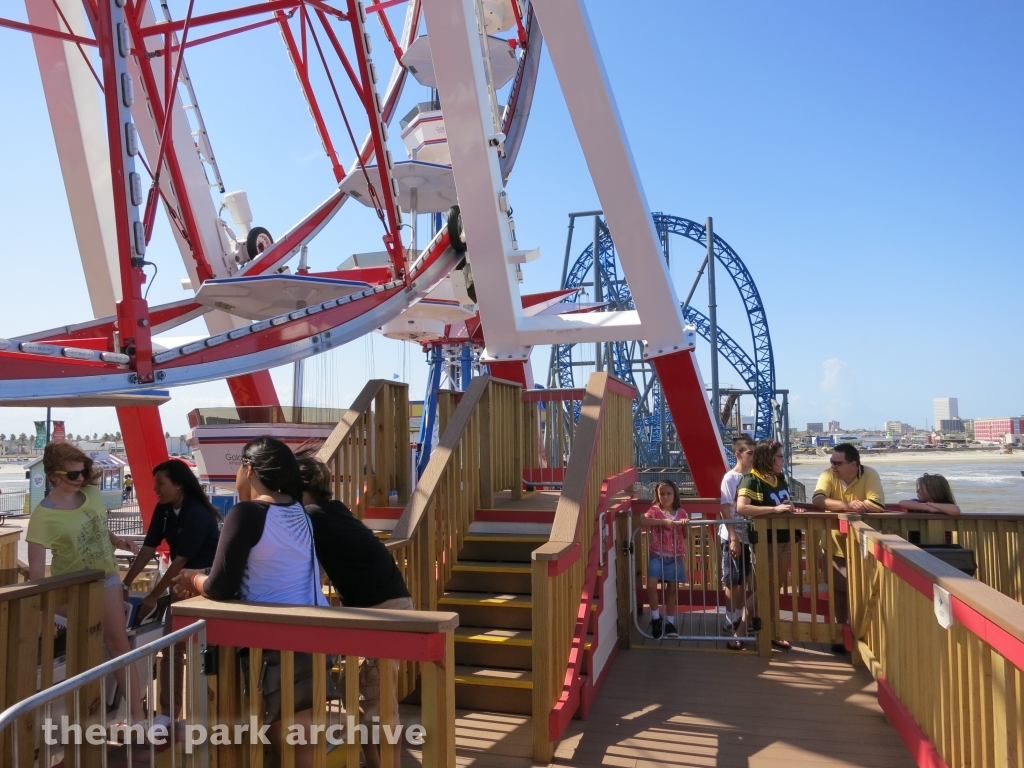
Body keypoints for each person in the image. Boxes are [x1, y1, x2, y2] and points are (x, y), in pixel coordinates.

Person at [172, 437, 327, 768]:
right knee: (301, 741)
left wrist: (191, 579)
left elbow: (220, 585)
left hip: (273, 642)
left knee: (282, 738)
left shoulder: (247, 513)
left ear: (249, 469)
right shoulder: (299, 511)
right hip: (313, 633)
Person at [295, 446, 412, 768]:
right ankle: (375, 763)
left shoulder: (312, 516)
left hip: (381, 612)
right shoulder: (332, 510)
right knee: (360, 697)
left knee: (374, 702)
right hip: (377, 608)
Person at [26, 442, 145, 725]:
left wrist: (117, 540)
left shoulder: (91, 494)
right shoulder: (42, 516)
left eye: (84, 472)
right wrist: (42, 612)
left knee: (116, 642)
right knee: (85, 650)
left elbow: (96, 525)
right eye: (73, 475)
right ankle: (81, 721)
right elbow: (35, 572)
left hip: (105, 577)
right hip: (71, 587)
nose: (81, 479)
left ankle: (138, 717)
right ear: (54, 476)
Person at [120, 459, 221, 726]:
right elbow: (148, 547)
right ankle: (168, 712)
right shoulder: (164, 510)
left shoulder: (197, 513)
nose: (156, 489)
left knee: (209, 649)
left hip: (205, 583)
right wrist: (125, 583)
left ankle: (213, 712)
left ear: (178, 484)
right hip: (180, 582)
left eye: (160, 483)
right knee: (171, 647)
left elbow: (180, 560)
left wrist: (154, 595)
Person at [811, 443, 885, 652]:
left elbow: (878, 505)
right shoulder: (827, 475)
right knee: (838, 593)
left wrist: (853, 504)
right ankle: (842, 637)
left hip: (862, 546)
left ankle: (863, 636)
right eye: (832, 462)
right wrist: (848, 505)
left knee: (863, 592)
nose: (833, 466)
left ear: (853, 464)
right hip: (832, 545)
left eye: (838, 463)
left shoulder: (870, 475)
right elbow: (818, 499)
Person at [736, 439, 796, 650]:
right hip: (765, 540)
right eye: (780, 456)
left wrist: (789, 507)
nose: (783, 459)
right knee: (764, 587)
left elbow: (783, 502)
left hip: (785, 538)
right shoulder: (751, 480)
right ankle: (741, 630)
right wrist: (775, 510)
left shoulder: (780, 478)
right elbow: (742, 508)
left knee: (776, 587)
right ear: (768, 459)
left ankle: (771, 630)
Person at [719, 437, 756, 650]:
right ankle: (730, 619)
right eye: (749, 453)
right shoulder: (730, 478)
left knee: (743, 579)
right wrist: (733, 536)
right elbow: (725, 508)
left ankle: (739, 618)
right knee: (732, 581)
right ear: (738, 454)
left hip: (749, 536)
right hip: (733, 536)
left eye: (754, 453)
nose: (753, 456)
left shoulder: (753, 476)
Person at [642, 480, 688, 640]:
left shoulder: (681, 513)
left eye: (668, 493)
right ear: (657, 495)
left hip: (675, 556)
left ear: (675, 495)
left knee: (672, 589)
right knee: (651, 585)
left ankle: (670, 621)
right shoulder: (655, 510)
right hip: (657, 555)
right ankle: (656, 617)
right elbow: (643, 520)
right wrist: (663, 522)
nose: (665, 497)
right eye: (662, 494)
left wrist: (684, 525)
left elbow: (686, 534)